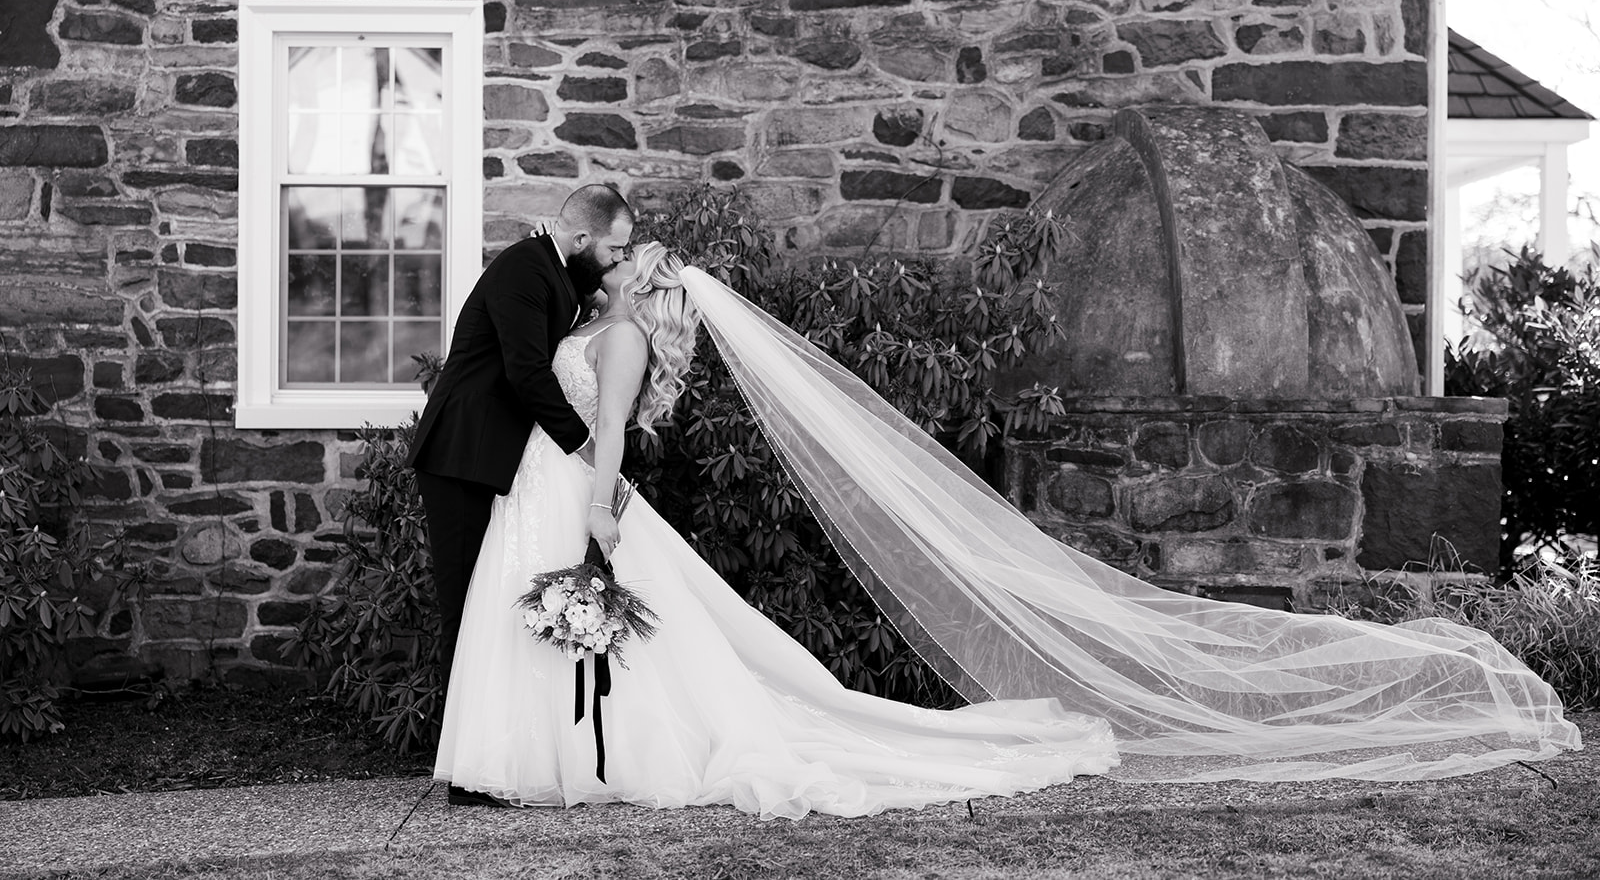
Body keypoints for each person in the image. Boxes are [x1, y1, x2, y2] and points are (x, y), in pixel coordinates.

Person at [435, 244, 1581, 816]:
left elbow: (610, 445)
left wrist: (597, 515)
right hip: (552, 489)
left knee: (643, 644)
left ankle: (573, 759)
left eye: (630, 266)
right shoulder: (625, 331)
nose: (616, 270)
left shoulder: (624, 338)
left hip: (574, 493)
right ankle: (554, 756)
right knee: (643, 643)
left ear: (647, 293)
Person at [406, 184, 632, 805]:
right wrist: (583, 448)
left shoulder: (553, 269)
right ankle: (466, 770)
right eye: (614, 248)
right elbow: (524, 372)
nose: (617, 260)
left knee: (488, 602)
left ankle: (490, 752)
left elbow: (576, 329)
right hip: (462, 458)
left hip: (499, 463)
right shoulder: (526, 269)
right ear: (581, 238)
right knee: (464, 604)